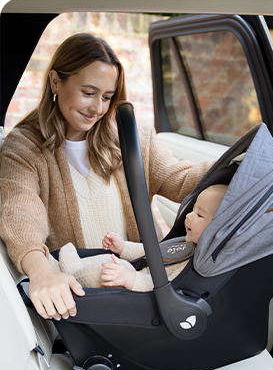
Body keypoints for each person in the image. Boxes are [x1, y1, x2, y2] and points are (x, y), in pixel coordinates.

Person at [0, 33, 213, 321]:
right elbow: (20, 215)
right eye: (88, 93)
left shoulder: (130, 136)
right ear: (55, 82)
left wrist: (241, 160)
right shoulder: (23, 148)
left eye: (107, 97)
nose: (98, 108)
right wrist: (43, 273)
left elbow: (182, 179)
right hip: (88, 303)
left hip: (145, 288)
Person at [49, 184, 227, 291]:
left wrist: (130, 279)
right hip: (134, 272)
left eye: (199, 215)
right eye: (192, 209)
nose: (188, 216)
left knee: (106, 270)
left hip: (135, 288)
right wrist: (123, 247)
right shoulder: (187, 245)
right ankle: (60, 268)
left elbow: (168, 289)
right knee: (110, 259)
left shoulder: (196, 265)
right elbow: (151, 252)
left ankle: (69, 272)